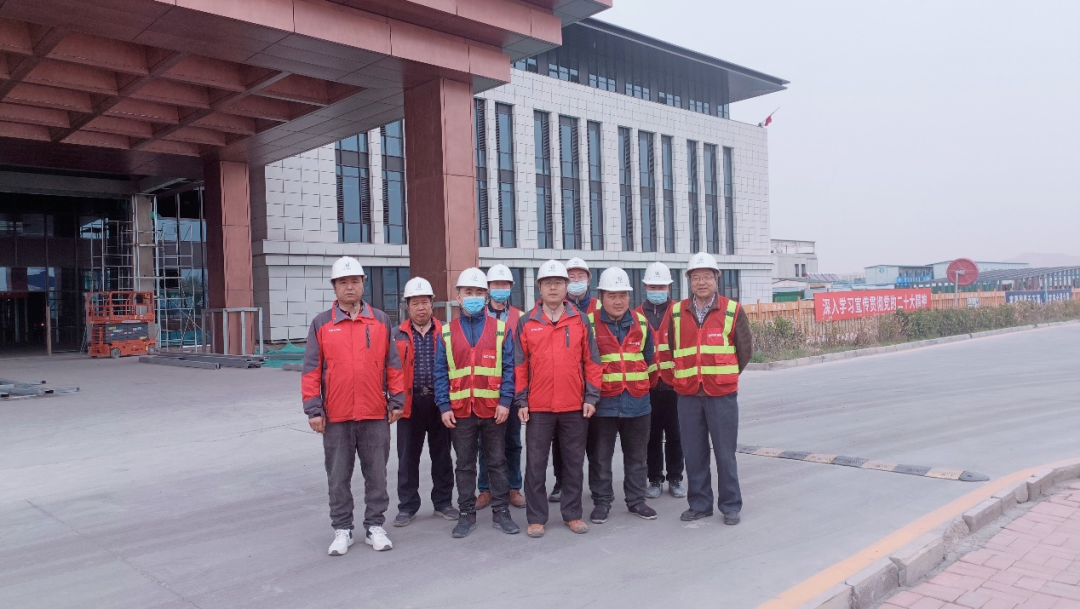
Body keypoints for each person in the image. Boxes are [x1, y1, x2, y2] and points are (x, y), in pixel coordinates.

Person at [302, 256, 404, 555]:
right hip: (337, 415)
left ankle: (375, 527)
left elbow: (393, 365)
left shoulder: (381, 320)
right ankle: (342, 529)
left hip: (374, 413)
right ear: (334, 287)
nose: (349, 287)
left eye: (355, 281)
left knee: (377, 475)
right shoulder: (322, 323)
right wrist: (314, 409)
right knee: (338, 477)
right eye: (343, 282)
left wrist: (397, 400)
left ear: (363, 284)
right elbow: (311, 370)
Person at [657, 252, 754, 525]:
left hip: (721, 395)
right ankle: (699, 504)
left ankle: (730, 505)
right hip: (687, 394)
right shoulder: (676, 312)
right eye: (696, 277)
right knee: (694, 453)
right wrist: (683, 377)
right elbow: (671, 349)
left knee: (725, 453)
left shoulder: (732, 310)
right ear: (689, 281)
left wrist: (724, 375)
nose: (702, 282)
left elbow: (744, 350)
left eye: (707, 277)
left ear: (716, 279)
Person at [515, 259, 602, 538]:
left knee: (573, 463)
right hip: (539, 407)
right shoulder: (526, 321)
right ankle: (536, 518)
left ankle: (572, 514)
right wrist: (522, 400)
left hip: (574, 405)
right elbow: (520, 365)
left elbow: (592, 361)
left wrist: (591, 397)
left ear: (566, 287)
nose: (553, 287)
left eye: (558, 282)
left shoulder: (580, 319)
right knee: (536, 465)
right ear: (539, 287)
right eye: (548, 283)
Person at [435, 267, 520, 538]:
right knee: (464, 465)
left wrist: (505, 401)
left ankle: (501, 512)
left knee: (497, 462)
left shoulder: (500, 330)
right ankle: (466, 514)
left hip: (494, 410)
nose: (473, 296)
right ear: (458, 296)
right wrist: (443, 406)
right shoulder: (447, 332)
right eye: (468, 292)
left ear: (486, 296)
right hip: (460, 412)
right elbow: (440, 372)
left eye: (478, 292)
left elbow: (510, 368)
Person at [585, 267, 658, 524]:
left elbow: (650, 360)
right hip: (602, 403)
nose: (618, 301)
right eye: (612, 295)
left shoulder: (641, 322)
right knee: (600, 457)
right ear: (601, 297)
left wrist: (642, 388)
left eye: (623, 295)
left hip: (637, 402)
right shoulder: (588, 323)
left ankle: (636, 501)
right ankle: (602, 502)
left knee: (637, 457)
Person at [391, 277, 459, 527]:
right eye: (415, 303)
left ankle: (443, 502)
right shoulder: (395, 335)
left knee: (442, 455)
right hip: (409, 404)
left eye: (424, 302)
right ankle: (407, 506)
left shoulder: (446, 331)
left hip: (440, 403)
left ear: (432, 303)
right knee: (408, 458)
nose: (420, 308)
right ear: (407, 306)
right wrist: (393, 402)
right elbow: (389, 371)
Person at [547, 257, 599, 502]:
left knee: (595, 442)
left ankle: (597, 486)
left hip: (593, 385)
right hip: (564, 387)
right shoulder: (554, 308)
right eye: (572, 276)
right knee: (561, 442)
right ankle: (561, 482)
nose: (577, 280)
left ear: (588, 279)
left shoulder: (599, 307)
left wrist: (593, 389)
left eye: (581, 276)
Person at [476, 264, 526, 510]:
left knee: (512, 442)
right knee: (484, 444)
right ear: (488, 288)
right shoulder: (477, 316)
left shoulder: (521, 317)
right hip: (484, 390)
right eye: (495, 284)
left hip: (513, 390)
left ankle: (513, 487)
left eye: (504, 284)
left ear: (511, 287)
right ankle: (486, 489)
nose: (500, 288)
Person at [635, 262, 686, 499]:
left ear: (669, 287)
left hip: (675, 385)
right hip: (648, 386)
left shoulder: (679, 312)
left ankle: (675, 478)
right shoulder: (636, 315)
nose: (657, 290)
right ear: (645, 287)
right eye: (653, 286)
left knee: (676, 435)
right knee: (651, 436)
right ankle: (654, 478)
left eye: (661, 286)